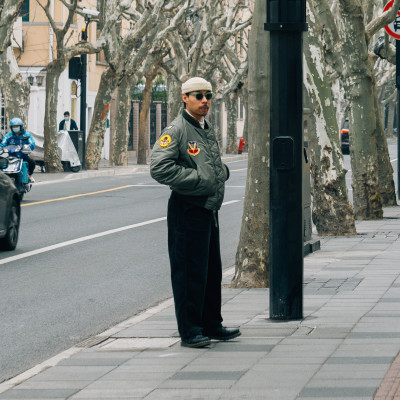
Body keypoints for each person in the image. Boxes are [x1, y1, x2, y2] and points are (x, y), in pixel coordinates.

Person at [150, 77, 241, 348]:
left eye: (208, 96)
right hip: (187, 210)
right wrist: (201, 180)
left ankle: (212, 324)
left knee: (211, 271)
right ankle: (190, 331)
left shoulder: (204, 127)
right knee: (189, 272)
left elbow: (211, 163)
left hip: (207, 210)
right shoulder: (176, 130)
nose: (204, 100)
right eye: (198, 95)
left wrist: (221, 173)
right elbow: (159, 168)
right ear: (184, 98)